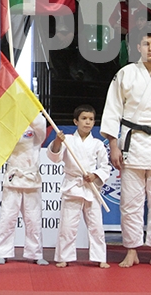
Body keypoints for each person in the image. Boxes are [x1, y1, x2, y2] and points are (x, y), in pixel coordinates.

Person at [100, 28, 151, 268]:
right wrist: (113, 145)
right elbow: (113, 110)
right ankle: (131, 250)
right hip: (133, 143)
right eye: (146, 44)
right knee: (130, 202)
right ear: (138, 47)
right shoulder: (125, 73)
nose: (150, 48)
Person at [47, 105, 111, 268]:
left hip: (91, 187)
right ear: (76, 121)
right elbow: (55, 157)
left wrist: (95, 175)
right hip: (72, 186)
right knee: (68, 226)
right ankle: (64, 256)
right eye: (84, 119)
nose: (87, 122)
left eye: (91, 119)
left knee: (96, 226)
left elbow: (105, 167)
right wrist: (57, 141)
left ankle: (100, 257)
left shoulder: (97, 144)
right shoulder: (67, 140)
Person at [0, 114, 48, 266]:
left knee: (33, 219)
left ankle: (36, 253)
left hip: (31, 178)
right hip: (13, 177)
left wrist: (30, 111)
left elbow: (41, 127)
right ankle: (2, 252)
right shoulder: (10, 123)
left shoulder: (36, 127)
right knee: (7, 217)